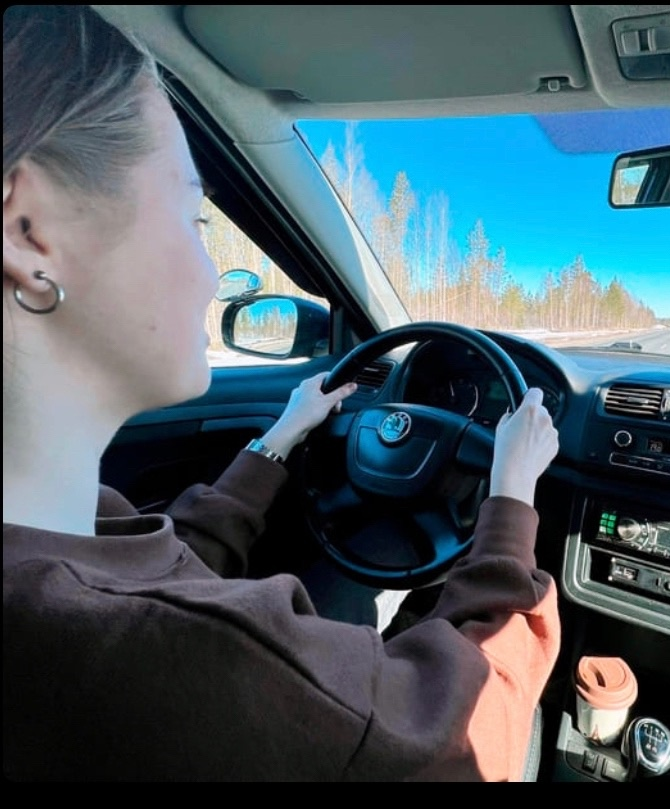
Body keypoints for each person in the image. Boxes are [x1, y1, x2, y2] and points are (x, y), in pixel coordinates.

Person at [3, 5, 561, 781]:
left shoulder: (59, 544)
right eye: (193, 217)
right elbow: (470, 730)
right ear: (29, 231)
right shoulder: (190, 653)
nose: (212, 276)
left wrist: (280, 438)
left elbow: (168, 562)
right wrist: (510, 499)